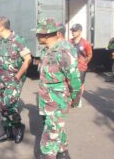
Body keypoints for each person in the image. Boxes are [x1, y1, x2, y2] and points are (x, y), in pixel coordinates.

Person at [35, 18, 81, 159]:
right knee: (55, 128)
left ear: (49, 34)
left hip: (58, 101)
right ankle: (64, 153)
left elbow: (74, 79)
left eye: (39, 34)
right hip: (47, 99)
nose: (37, 36)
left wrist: (74, 100)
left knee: (50, 135)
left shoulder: (64, 51)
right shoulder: (47, 51)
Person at [69, 23, 93, 107]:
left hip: (81, 67)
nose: (73, 32)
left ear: (80, 31)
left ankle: (78, 100)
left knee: (80, 84)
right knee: (70, 83)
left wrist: (84, 63)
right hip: (71, 67)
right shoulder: (69, 42)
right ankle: (72, 99)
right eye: (72, 30)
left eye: (75, 31)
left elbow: (89, 55)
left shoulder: (85, 43)